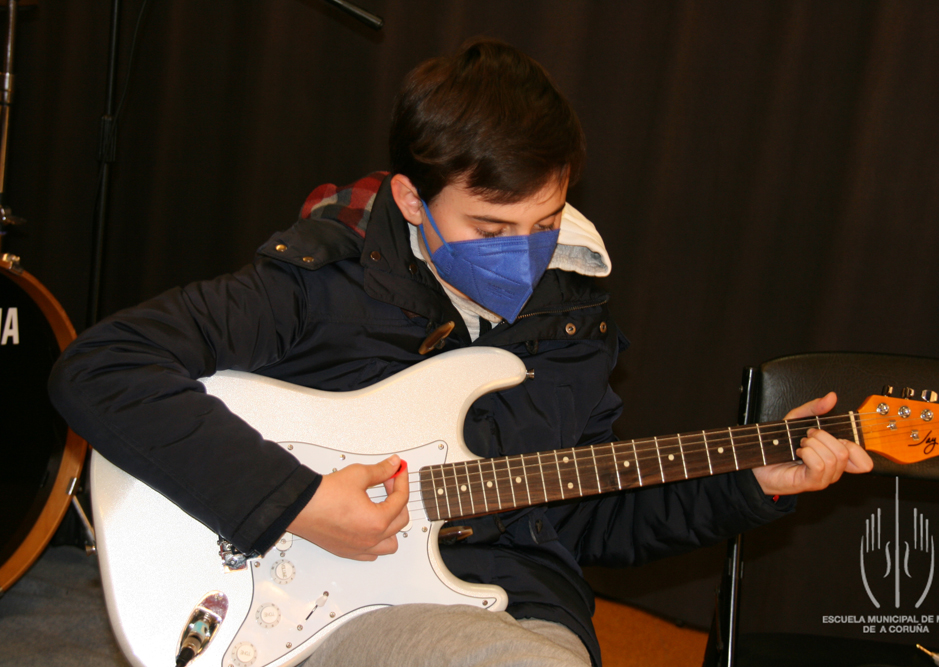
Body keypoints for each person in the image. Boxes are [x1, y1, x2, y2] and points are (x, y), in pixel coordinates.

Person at [48, 39, 872, 666]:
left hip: (511, 590)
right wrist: (297, 500)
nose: (525, 253)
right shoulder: (320, 280)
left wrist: (749, 485)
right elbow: (100, 366)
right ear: (412, 198)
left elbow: (583, 515)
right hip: (321, 594)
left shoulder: (573, 319)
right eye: (490, 226)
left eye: (545, 222)